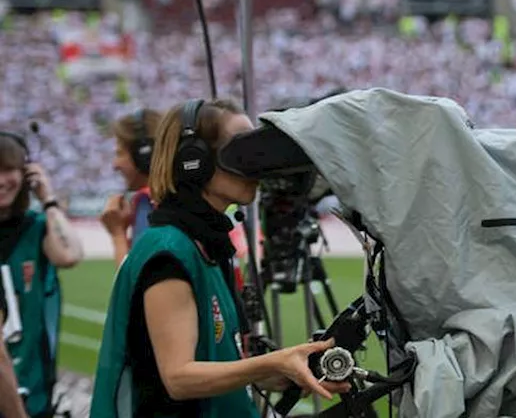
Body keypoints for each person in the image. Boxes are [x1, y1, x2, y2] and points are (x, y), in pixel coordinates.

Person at [89, 99, 347, 418]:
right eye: (240, 150)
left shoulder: (206, 244)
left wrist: (288, 371)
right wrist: (273, 361)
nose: (256, 164)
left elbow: (216, 363)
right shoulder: (169, 251)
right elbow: (179, 378)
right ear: (192, 160)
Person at [0, 130, 85, 418]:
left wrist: (48, 198)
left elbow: (70, 254)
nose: (2, 181)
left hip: (31, 385)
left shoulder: (34, 227)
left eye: (9, 169)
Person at [100, 109, 160, 267]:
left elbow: (134, 284)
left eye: (120, 154)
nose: (115, 164)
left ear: (145, 155)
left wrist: (117, 234)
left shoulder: (148, 202)